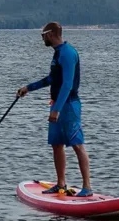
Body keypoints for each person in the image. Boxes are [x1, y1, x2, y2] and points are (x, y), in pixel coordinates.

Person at [15, 22, 92, 197]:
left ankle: (87, 187)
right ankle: (60, 184)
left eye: (43, 36)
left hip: (69, 105)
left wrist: (56, 110)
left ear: (50, 34)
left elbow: (67, 85)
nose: (42, 39)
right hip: (57, 104)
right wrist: (28, 88)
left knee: (77, 144)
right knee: (56, 144)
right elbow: (52, 79)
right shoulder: (57, 53)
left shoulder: (68, 53)